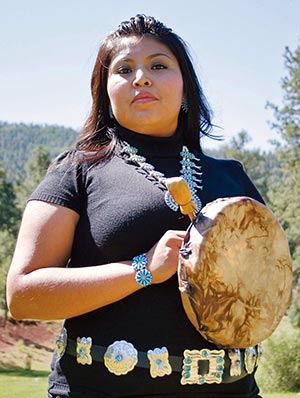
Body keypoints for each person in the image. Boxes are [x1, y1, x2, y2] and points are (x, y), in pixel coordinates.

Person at [7, 14, 264, 398]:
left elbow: (266, 284)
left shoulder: (233, 177)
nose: (142, 77)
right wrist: (143, 269)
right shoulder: (77, 170)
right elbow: (23, 294)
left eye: (159, 65)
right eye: (124, 69)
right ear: (106, 93)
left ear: (186, 88)